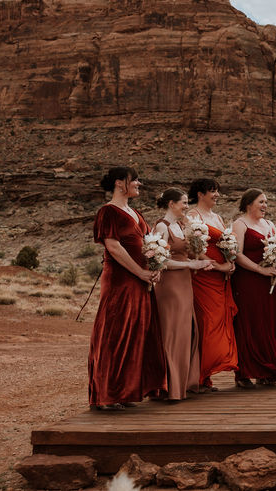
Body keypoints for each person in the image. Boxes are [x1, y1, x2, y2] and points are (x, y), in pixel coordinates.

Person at [89, 167, 167, 410]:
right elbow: (113, 247)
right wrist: (141, 272)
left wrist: (156, 268)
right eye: (135, 180)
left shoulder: (136, 213)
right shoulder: (107, 212)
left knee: (137, 332)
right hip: (120, 281)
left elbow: (149, 243)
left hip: (141, 280)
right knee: (116, 332)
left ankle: (126, 391)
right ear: (120, 183)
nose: (139, 184)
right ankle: (107, 394)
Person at [230, 189, 276, 388]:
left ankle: (268, 370)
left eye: (266, 202)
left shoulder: (270, 225)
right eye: (261, 202)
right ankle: (244, 373)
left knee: (271, 321)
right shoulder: (240, 224)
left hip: (271, 280)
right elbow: (237, 255)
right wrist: (259, 270)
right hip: (248, 281)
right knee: (251, 323)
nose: (265, 205)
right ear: (249, 204)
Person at [151, 188, 209, 400]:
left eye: (186, 202)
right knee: (171, 332)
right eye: (183, 203)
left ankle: (181, 384)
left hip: (185, 283)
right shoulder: (161, 226)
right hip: (170, 286)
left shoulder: (181, 225)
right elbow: (160, 260)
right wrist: (192, 263)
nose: (187, 206)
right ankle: (168, 387)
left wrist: (199, 257)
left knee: (186, 331)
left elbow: (188, 253)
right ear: (171, 204)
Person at [187, 178, 238, 391]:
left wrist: (229, 262)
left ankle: (206, 376)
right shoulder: (192, 216)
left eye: (217, 191)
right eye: (212, 191)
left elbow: (226, 244)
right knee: (205, 323)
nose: (216, 195)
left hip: (220, 278)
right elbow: (191, 247)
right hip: (203, 276)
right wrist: (212, 264)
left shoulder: (217, 217)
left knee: (217, 324)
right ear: (200, 194)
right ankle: (197, 378)